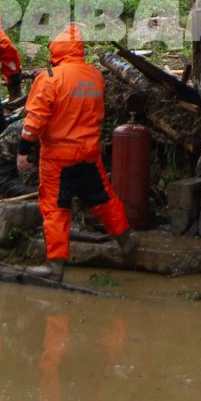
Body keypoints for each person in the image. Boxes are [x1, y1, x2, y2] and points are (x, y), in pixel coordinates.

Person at [18, 24, 134, 280]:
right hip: (88, 153)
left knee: (56, 210)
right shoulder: (93, 75)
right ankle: (126, 244)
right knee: (104, 200)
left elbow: (35, 119)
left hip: (58, 159)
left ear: (56, 49)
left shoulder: (49, 78)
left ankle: (55, 267)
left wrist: (23, 149)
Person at [0, 117, 39, 197]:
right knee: (42, 193)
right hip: (3, 179)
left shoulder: (38, 126)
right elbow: (30, 173)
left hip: (19, 172)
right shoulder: (26, 135)